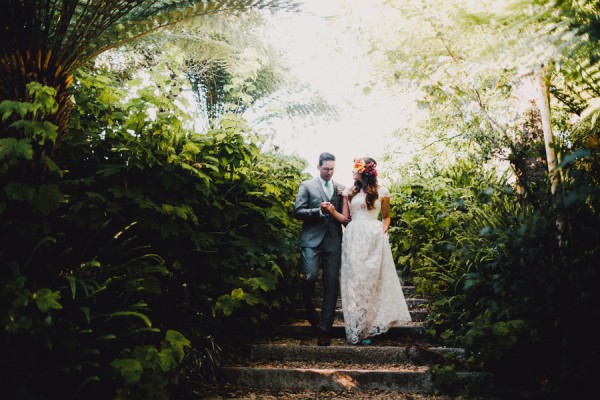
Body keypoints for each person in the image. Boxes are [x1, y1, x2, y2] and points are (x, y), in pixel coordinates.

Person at [325, 156, 411, 344]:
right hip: (353, 238)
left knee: (371, 281)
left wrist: (384, 231)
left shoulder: (382, 192)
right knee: (355, 282)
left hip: (374, 237)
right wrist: (332, 211)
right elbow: (346, 219)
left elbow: (386, 217)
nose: (353, 171)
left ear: (365, 171)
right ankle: (358, 325)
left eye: (356, 168)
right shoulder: (350, 192)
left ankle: (371, 327)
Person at [294, 152, 346, 346]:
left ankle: (325, 329)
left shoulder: (340, 188)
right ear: (318, 167)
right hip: (311, 241)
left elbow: (344, 214)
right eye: (326, 169)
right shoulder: (307, 185)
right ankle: (309, 310)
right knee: (309, 276)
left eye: (332, 169)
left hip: (333, 241)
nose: (329, 172)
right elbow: (297, 211)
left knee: (331, 284)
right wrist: (318, 211)